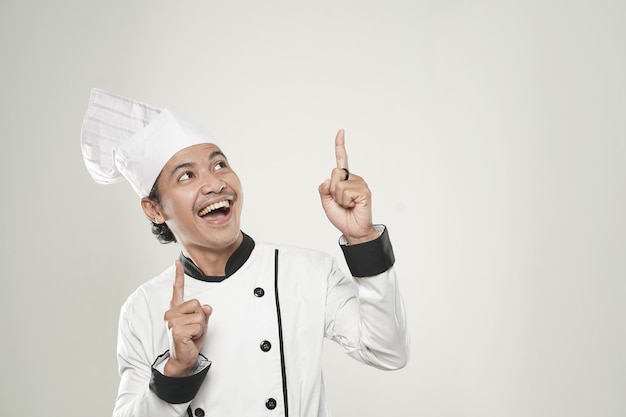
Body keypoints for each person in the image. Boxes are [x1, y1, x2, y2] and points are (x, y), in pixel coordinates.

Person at [81, 88, 409, 417]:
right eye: (187, 175)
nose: (214, 184)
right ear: (154, 209)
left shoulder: (307, 271)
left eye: (219, 165)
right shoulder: (144, 308)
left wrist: (362, 238)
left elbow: (388, 351)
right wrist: (176, 370)